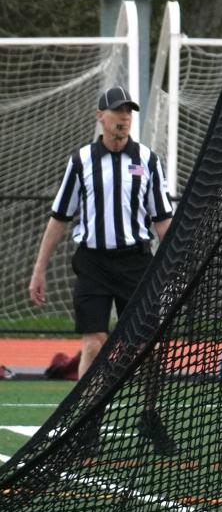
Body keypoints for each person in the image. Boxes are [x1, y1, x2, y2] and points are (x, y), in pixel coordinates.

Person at [28, 85, 177, 454]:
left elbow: (162, 221)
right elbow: (59, 218)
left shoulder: (147, 160)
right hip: (93, 262)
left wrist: (180, 264)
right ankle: (88, 423)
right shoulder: (81, 161)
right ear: (100, 117)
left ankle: (150, 414)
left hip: (136, 262)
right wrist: (39, 269)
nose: (123, 118)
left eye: (128, 112)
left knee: (147, 345)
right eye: (116, 112)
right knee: (94, 343)